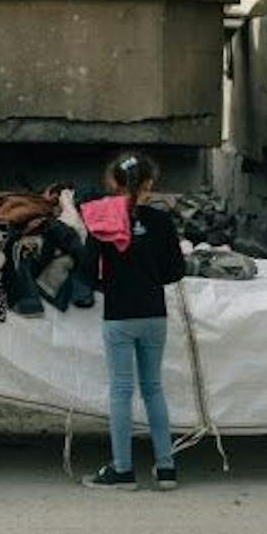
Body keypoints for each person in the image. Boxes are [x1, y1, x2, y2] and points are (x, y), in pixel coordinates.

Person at [81, 150, 186, 491]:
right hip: (154, 313)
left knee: (121, 391)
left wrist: (109, 284)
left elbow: (87, 270)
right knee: (153, 388)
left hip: (119, 314)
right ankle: (166, 468)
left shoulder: (101, 219)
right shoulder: (162, 221)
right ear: (149, 184)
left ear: (113, 182)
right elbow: (176, 271)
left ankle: (122, 469)